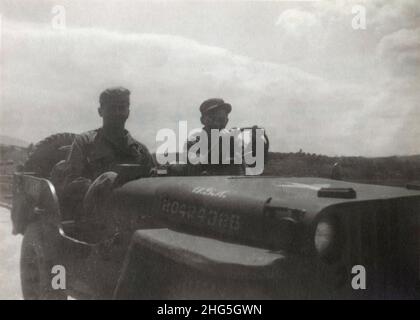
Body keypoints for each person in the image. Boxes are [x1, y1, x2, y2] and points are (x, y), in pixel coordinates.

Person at [60, 87, 153, 230]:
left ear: (128, 112)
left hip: (134, 220)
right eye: (111, 108)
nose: (117, 113)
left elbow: (151, 183)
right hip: (93, 220)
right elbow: (72, 183)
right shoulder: (85, 142)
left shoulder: (140, 151)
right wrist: (104, 188)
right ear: (100, 111)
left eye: (122, 108)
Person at [185, 98, 268, 175]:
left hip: (233, 186)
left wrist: (257, 145)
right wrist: (219, 144)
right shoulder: (194, 141)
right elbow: (196, 168)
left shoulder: (234, 140)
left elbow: (252, 169)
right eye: (212, 119)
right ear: (202, 120)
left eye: (221, 119)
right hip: (204, 188)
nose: (216, 124)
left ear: (227, 121)